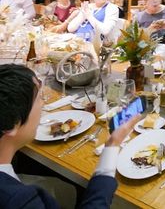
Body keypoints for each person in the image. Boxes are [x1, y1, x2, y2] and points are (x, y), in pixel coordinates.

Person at [0, 63, 141, 208]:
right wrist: (113, 146)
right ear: (11, 124)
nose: (42, 104)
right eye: (39, 99)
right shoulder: (18, 200)